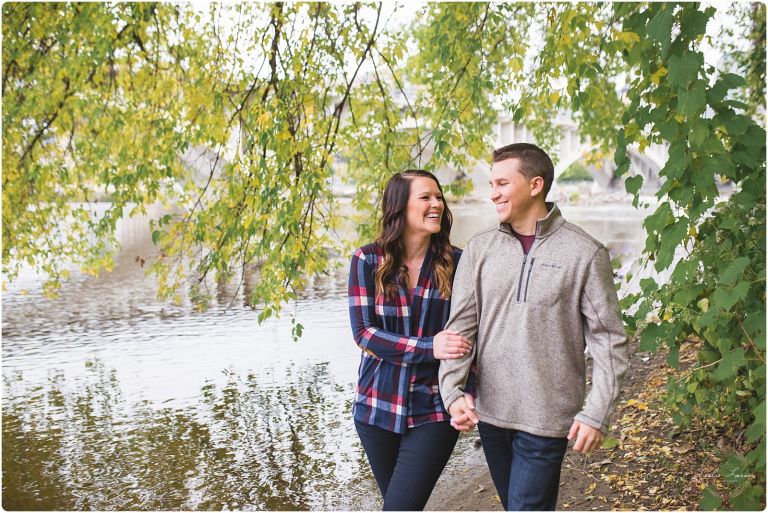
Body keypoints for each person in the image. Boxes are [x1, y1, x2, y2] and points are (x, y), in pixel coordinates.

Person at [439, 143, 629, 511]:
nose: (491, 192)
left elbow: (609, 341)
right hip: (492, 414)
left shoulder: (584, 253)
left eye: (502, 183)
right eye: (491, 183)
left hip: (547, 417)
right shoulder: (479, 250)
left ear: (535, 184)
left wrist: (597, 412)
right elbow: (460, 330)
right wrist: (453, 392)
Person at [348, 170, 474, 511]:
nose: (437, 204)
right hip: (376, 408)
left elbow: (469, 338)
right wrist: (428, 346)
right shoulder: (368, 260)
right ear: (399, 206)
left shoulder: (458, 262)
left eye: (438, 197)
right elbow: (364, 333)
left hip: (434, 408)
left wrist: (469, 393)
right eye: (425, 197)